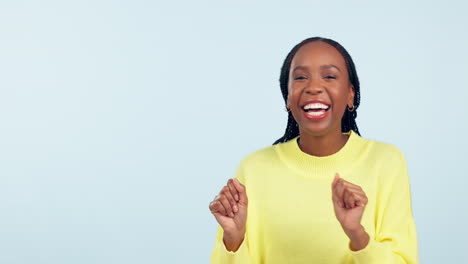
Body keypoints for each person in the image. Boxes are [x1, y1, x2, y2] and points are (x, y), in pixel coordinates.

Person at [208, 36, 419, 263]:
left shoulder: (384, 162)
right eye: (300, 78)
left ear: (350, 94)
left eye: (329, 76)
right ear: (287, 97)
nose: (314, 88)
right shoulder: (253, 169)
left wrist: (357, 234)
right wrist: (233, 240)